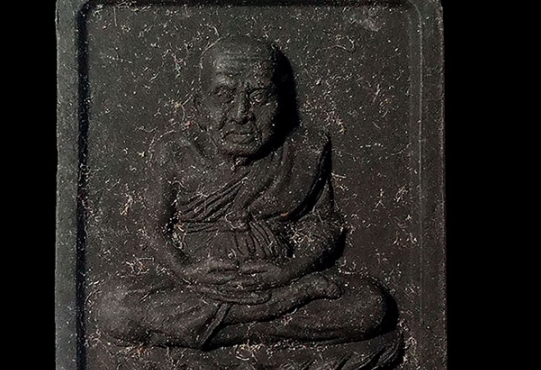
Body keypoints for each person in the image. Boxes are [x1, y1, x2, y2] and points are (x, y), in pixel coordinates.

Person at [100, 36, 391, 353]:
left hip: (277, 276)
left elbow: (324, 224)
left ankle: (214, 330)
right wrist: (185, 268)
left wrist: (291, 270)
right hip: (201, 285)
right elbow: (151, 228)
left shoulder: (304, 150)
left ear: (279, 104)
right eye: (223, 96)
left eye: (259, 97)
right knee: (115, 308)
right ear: (199, 106)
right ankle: (272, 314)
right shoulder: (175, 152)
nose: (241, 113)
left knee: (369, 305)